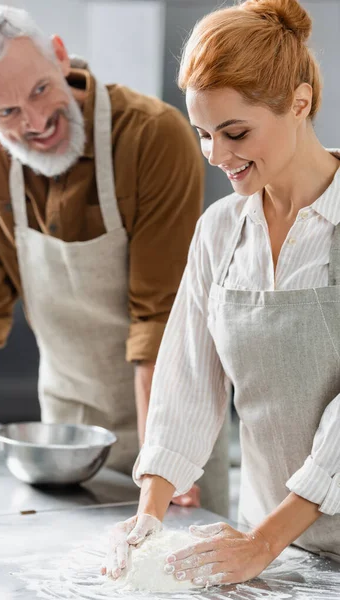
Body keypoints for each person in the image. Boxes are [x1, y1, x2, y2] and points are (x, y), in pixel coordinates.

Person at [0, 5, 230, 511]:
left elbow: (159, 318)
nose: (35, 123)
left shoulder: (151, 136)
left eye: (39, 91)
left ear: (58, 56)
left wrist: (162, 467)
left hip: (171, 414)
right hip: (66, 424)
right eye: (5, 113)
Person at [103, 0, 340, 587]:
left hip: (272, 539)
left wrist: (265, 540)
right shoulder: (221, 229)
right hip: (272, 550)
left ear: (301, 103)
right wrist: (149, 516)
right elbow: (188, 375)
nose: (215, 155)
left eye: (235, 132)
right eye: (204, 134)